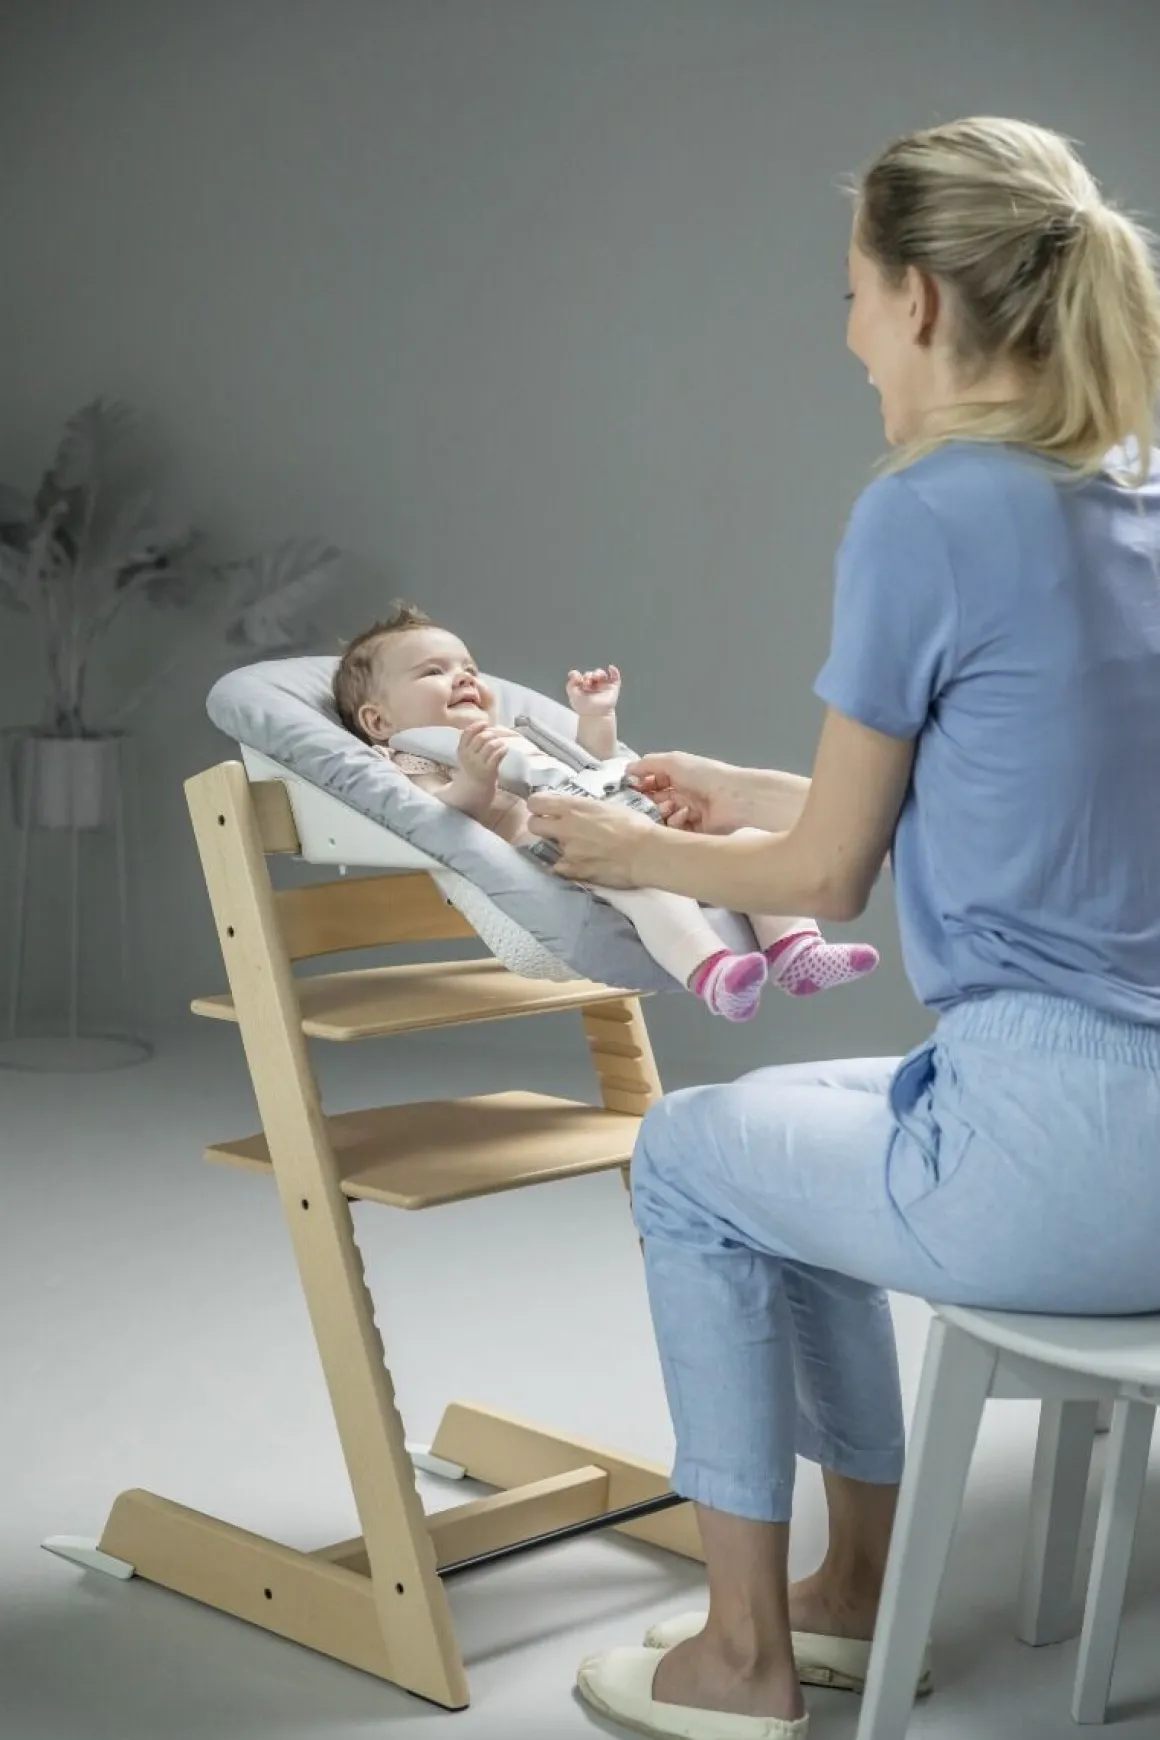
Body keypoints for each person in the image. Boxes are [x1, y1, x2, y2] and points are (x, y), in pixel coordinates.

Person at [524, 117, 1160, 1740]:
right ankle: (858, 1589)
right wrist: (737, 791)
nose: (852, 334)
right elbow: (1027, 783)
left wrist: (616, 841)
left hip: (1064, 1168)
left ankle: (743, 1660)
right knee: (776, 1127)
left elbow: (822, 880)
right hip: (1129, 1129)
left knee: (687, 1158)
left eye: (856, 294)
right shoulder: (1128, 496)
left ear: (922, 302)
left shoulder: (932, 509)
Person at [331, 608, 878, 1019]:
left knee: (747, 838)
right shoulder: (412, 757)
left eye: (469, 668)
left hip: (629, 818)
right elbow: (437, 819)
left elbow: (592, 763)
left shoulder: (516, 735)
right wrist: (475, 782)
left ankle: (797, 951)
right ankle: (712, 973)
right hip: (563, 853)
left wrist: (595, 717)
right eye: (434, 671)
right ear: (379, 720)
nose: (465, 678)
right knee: (650, 887)